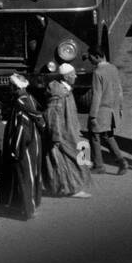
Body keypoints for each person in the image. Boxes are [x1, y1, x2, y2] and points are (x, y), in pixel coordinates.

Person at [0, 73, 45, 219]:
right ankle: (23, 205)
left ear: (15, 87)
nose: (9, 88)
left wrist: (15, 149)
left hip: (25, 146)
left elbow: (21, 129)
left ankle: (28, 209)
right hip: (34, 143)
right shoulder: (30, 98)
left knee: (26, 176)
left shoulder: (21, 103)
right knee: (31, 175)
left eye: (10, 86)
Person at [42, 64, 91, 198]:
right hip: (63, 133)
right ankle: (72, 188)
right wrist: (56, 135)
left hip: (70, 131)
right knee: (71, 159)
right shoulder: (59, 94)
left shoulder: (65, 90)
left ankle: (70, 187)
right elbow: (52, 115)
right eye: (73, 74)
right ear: (66, 77)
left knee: (80, 155)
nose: (75, 76)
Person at [87, 48, 127, 174]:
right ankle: (122, 161)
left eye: (91, 57)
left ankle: (99, 166)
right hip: (112, 109)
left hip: (101, 110)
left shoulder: (97, 72)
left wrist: (93, 115)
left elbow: (97, 95)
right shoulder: (113, 68)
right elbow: (119, 89)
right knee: (108, 136)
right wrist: (119, 107)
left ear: (97, 56)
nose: (90, 60)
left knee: (94, 136)